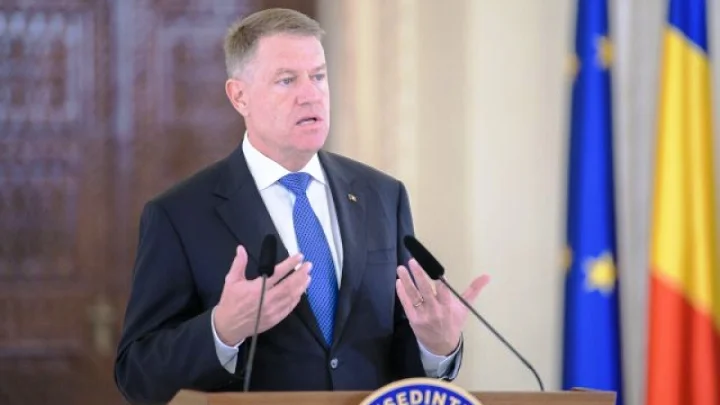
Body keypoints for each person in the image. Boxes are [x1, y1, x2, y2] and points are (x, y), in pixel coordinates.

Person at [113, 7, 489, 405]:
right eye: (287, 80)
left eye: (318, 76)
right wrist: (222, 330)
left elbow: (396, 358)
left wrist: (436, 347)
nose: (311, 94)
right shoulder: (180, 215)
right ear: (239, 96)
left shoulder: (382, 195)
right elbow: (137, 375)